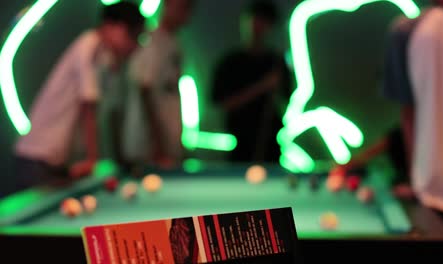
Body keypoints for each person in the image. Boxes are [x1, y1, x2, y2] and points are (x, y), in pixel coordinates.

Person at [13, 2, 144, 191]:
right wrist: (92, 160)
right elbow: (88, 106)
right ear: (111, 26)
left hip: (56, 162)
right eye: (132, 36)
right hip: (37, 159)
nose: (134, 46)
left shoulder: (106, 58)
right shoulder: (87, 46)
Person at [385, 0, 443, 245]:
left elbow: (408, 113)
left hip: (431, 191)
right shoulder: (408, 30)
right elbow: (409, 114)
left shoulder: (408, 29)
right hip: (432, 195)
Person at [212, 0, 292, 163]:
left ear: (270, 27)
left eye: (263, 22)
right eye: (253, 20)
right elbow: (224, 103)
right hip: (240, 144)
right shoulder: (230, 63)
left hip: (269, 144)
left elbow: (286, 99)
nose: (257, 27)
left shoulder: (276, 62)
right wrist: (263, 86)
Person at [124, 0, 195, 169]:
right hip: (149, 150)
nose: (187, 13)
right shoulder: (151, 42)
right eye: (183, 6)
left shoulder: (174, 41)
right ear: (167, 4)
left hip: (168, 147)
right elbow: (144, 90)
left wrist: (176, 143)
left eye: (190, 8)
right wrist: (158, 146)